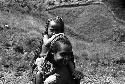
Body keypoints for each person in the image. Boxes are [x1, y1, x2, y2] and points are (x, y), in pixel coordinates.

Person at [34, 16, 83, 84]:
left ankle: (73, 72)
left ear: (61, 31)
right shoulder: (46, 37)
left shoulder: (62, 40)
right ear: (47, 29)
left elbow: (68, 54)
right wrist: (54, 37)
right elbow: (46, 44)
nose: (54, 33)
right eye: (52, 30)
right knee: (39, 73)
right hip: (44, 60)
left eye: (57, 30)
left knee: (69, 61)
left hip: (58, 60)